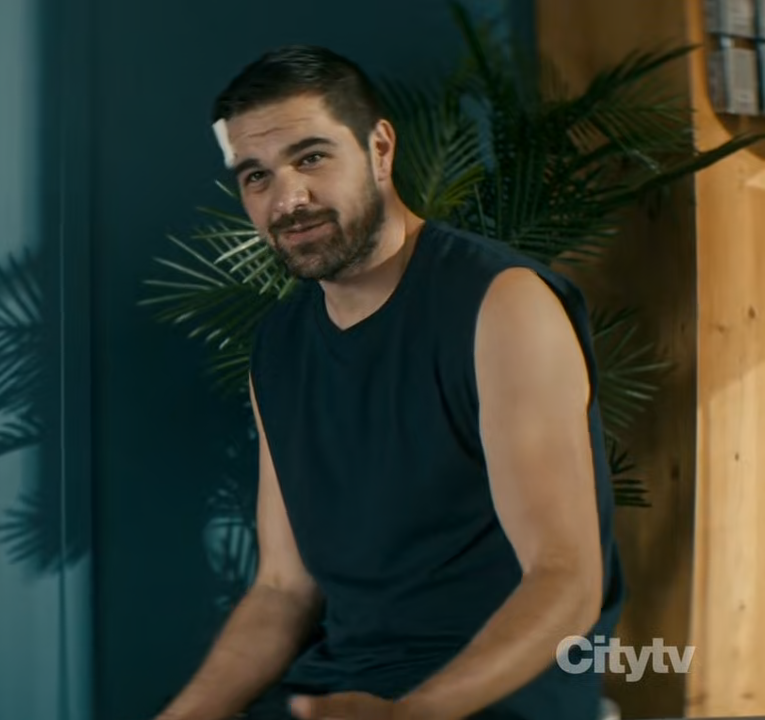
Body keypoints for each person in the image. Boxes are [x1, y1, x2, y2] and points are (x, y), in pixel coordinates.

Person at [155, 46, 624, 720]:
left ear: (379, 149)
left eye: (311, 157)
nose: (288, 200)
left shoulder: (501, 303)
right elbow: (284, 589)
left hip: (499, 697)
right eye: (256, 176)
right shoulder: (279, 346)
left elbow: (565, 579)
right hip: (341, 690)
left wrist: (414, 714)